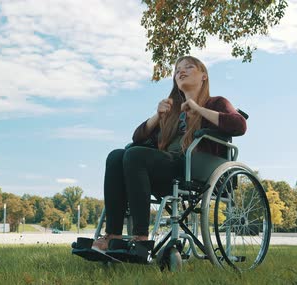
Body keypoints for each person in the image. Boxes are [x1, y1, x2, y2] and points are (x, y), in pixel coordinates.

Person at [93, 55, 247, 252]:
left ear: (204, 76)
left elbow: (239, 125)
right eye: (177, 70)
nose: (180, 71)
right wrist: (158, 116)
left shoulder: (216, 103)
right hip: (164, 169)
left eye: (188, 67)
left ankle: (140, 238)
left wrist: (198, 109)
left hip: (194, 167)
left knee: (134, 155)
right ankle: (112, 235)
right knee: (116, 156)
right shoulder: (173, 111)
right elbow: (137, 138)